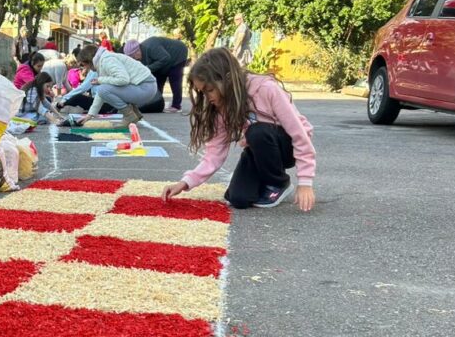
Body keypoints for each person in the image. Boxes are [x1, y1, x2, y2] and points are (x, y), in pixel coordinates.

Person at [162, 48, 315, 211]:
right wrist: (185, 183)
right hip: (259, 147)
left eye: (210, 90)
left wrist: (305, 182)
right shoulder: (221, 107)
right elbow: (214, 154)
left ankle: (278, 182)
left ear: (226, 79)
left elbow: (299, 134)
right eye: (203, 92)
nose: (208, 97)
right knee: (238, 198)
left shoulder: (266, 89)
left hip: (286, 147)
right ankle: (265, 178)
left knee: (256, 132)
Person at [75, 45, 157, 125]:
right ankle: (135, 114)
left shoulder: (107, 60)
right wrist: (90, 115)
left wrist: (100, 80)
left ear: (89, 60)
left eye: (83, 65)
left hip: (145, 88)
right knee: (103, 89)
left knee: (103, 88)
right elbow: (101, 94)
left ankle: (129, 116)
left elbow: (123, 79)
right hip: (145, 87)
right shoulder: (104, 59)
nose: (85, 68)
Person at [124, 36, 189, 114]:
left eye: (133, 56)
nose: (133, 58)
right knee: (158, 79)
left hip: (177, 54)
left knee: (174, 79)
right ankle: (157, 102)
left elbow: (165, 58)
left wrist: (149, 68)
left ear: (137, 50)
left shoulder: (151, 47)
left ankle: (176, 105)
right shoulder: (141, 55)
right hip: (164, 60)